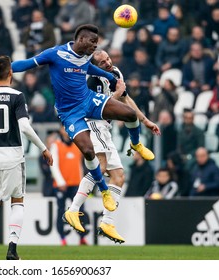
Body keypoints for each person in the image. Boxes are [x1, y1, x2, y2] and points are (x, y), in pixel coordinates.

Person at [0, 24, 156, 214]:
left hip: (88, 99)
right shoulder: (55, 53)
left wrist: (109, 78)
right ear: (81, 39)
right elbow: (27, 63)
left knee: (130, 114)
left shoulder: (85, 57)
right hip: (69, 111)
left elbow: (90, 69)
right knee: (88, 151)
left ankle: (136, 144)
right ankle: (104, 191)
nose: (95, 46)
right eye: (93, 42)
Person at [64, 50, 160, 243]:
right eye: (102, 62)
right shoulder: (91, 80)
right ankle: (73, 210)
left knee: (118, 176)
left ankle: (107, 222)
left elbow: (125, 100)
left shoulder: (115, 72)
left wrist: (145, 121)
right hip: (92, 122)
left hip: (105, 127)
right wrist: (116, 94)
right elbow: (101, 107)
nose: (108, 63)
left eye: (108, 59)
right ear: (94, 66)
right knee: (101, 165)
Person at [0, 55, 53, 260]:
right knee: (17, 202)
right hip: (13, 157)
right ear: (10, 73)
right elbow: (24, 127)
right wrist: (43, 148)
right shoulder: (17, 96)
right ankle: (12, 249)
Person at [49, 125, 87, 246]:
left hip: (76, 183)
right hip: (62, 185)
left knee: (80, 211)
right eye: (64, 128)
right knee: (61, 211)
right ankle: (62, 238)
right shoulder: (56, 145)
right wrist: (60, 182)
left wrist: (82, 182)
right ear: (61, 130)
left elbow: (80, 166)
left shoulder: (77, 144)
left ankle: (82, 238)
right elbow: (53, 165)